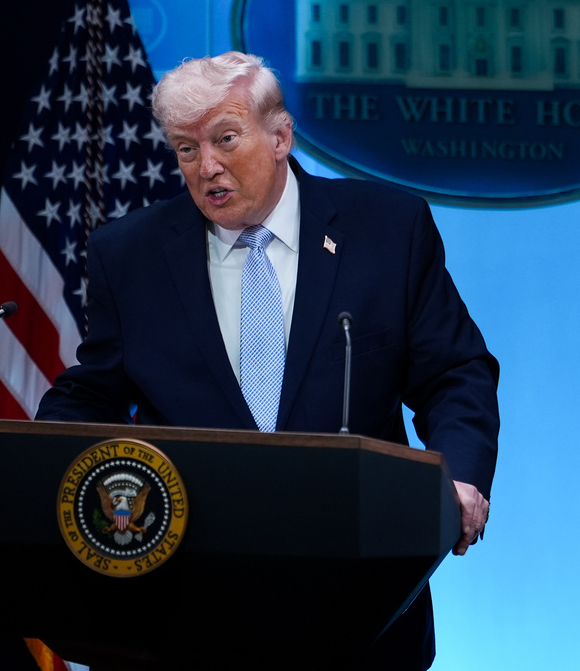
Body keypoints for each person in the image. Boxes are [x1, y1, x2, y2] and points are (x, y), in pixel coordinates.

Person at [35, 51, 499, 670]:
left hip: (357, 603)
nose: (207, 168)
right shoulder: (130, 254)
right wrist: (41, 458)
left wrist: (461, 479)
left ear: (280, 136)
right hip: (186, 608)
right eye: (186, 149)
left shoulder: (387, 229)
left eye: (225, 139)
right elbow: (94, 391)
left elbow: (454, 373)